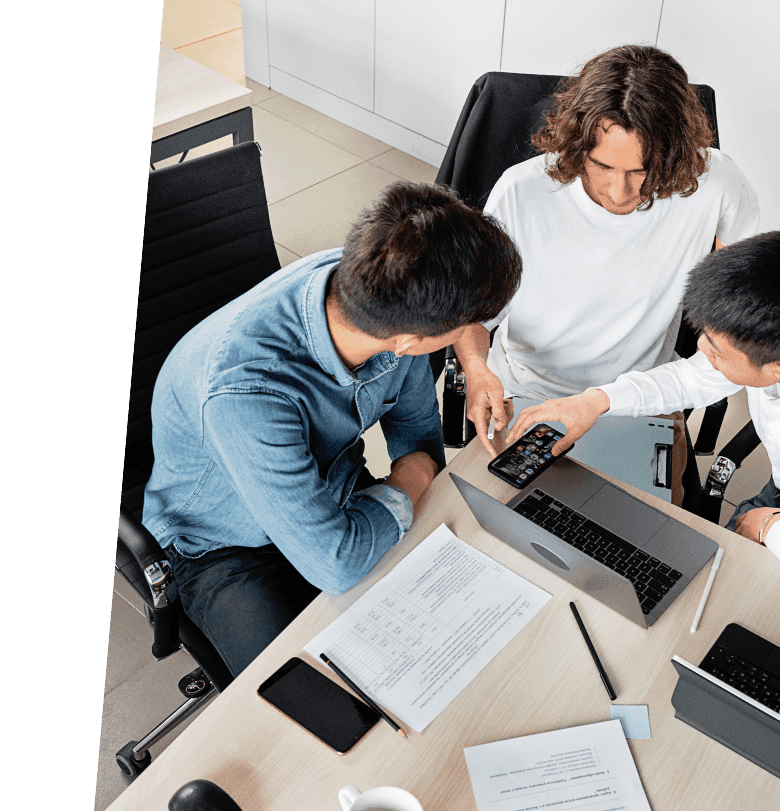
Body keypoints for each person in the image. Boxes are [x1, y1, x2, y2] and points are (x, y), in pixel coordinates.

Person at [143, 182, 523, 676]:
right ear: (410, 342)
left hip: (336, 492)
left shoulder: (381, 296)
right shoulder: (246, 395)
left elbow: (419, 438)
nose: (473, 338)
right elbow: (338, 561)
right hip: (222, 546)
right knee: (321, 699)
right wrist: (408, 481)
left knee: (456, 634)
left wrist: (413, 471)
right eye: (465, 330)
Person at [508, 232, 780, 659]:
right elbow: (691, 378)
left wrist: (775, 527)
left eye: (714, 349)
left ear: (776, 370)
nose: (700, 348)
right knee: (691, 624)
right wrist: (595, 401)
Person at [451, 45, 760, 485]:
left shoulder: (720, 185)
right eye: (602, 165)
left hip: (637, 398)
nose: (620, 192)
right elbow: (472, 316)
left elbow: (736, 334)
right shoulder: (521, 192)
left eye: (643, 169)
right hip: (527, 394)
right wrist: (477, 369)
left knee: (628, 543)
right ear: (577, 144)